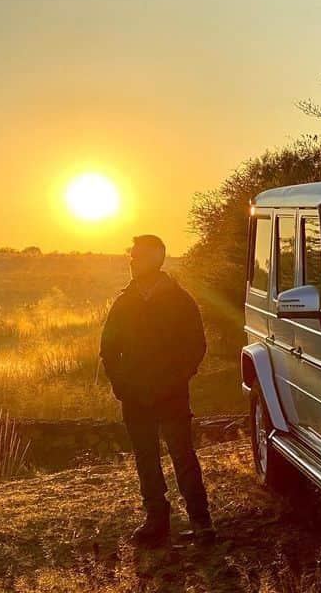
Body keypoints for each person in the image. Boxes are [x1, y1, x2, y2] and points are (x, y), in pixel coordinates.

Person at [100, 234, 214, 546]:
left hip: (171, 393)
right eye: (132, 255)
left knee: (182, 455)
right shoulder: (126, 300)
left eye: (137, 255)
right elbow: (108, 350)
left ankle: (201, 521)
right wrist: (121, 385)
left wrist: (176, 379)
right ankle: (157, 521)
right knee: (146, 458)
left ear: (155, 259)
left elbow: (196, 347)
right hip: (135, 395)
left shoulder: (179, 300)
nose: (132, 260)